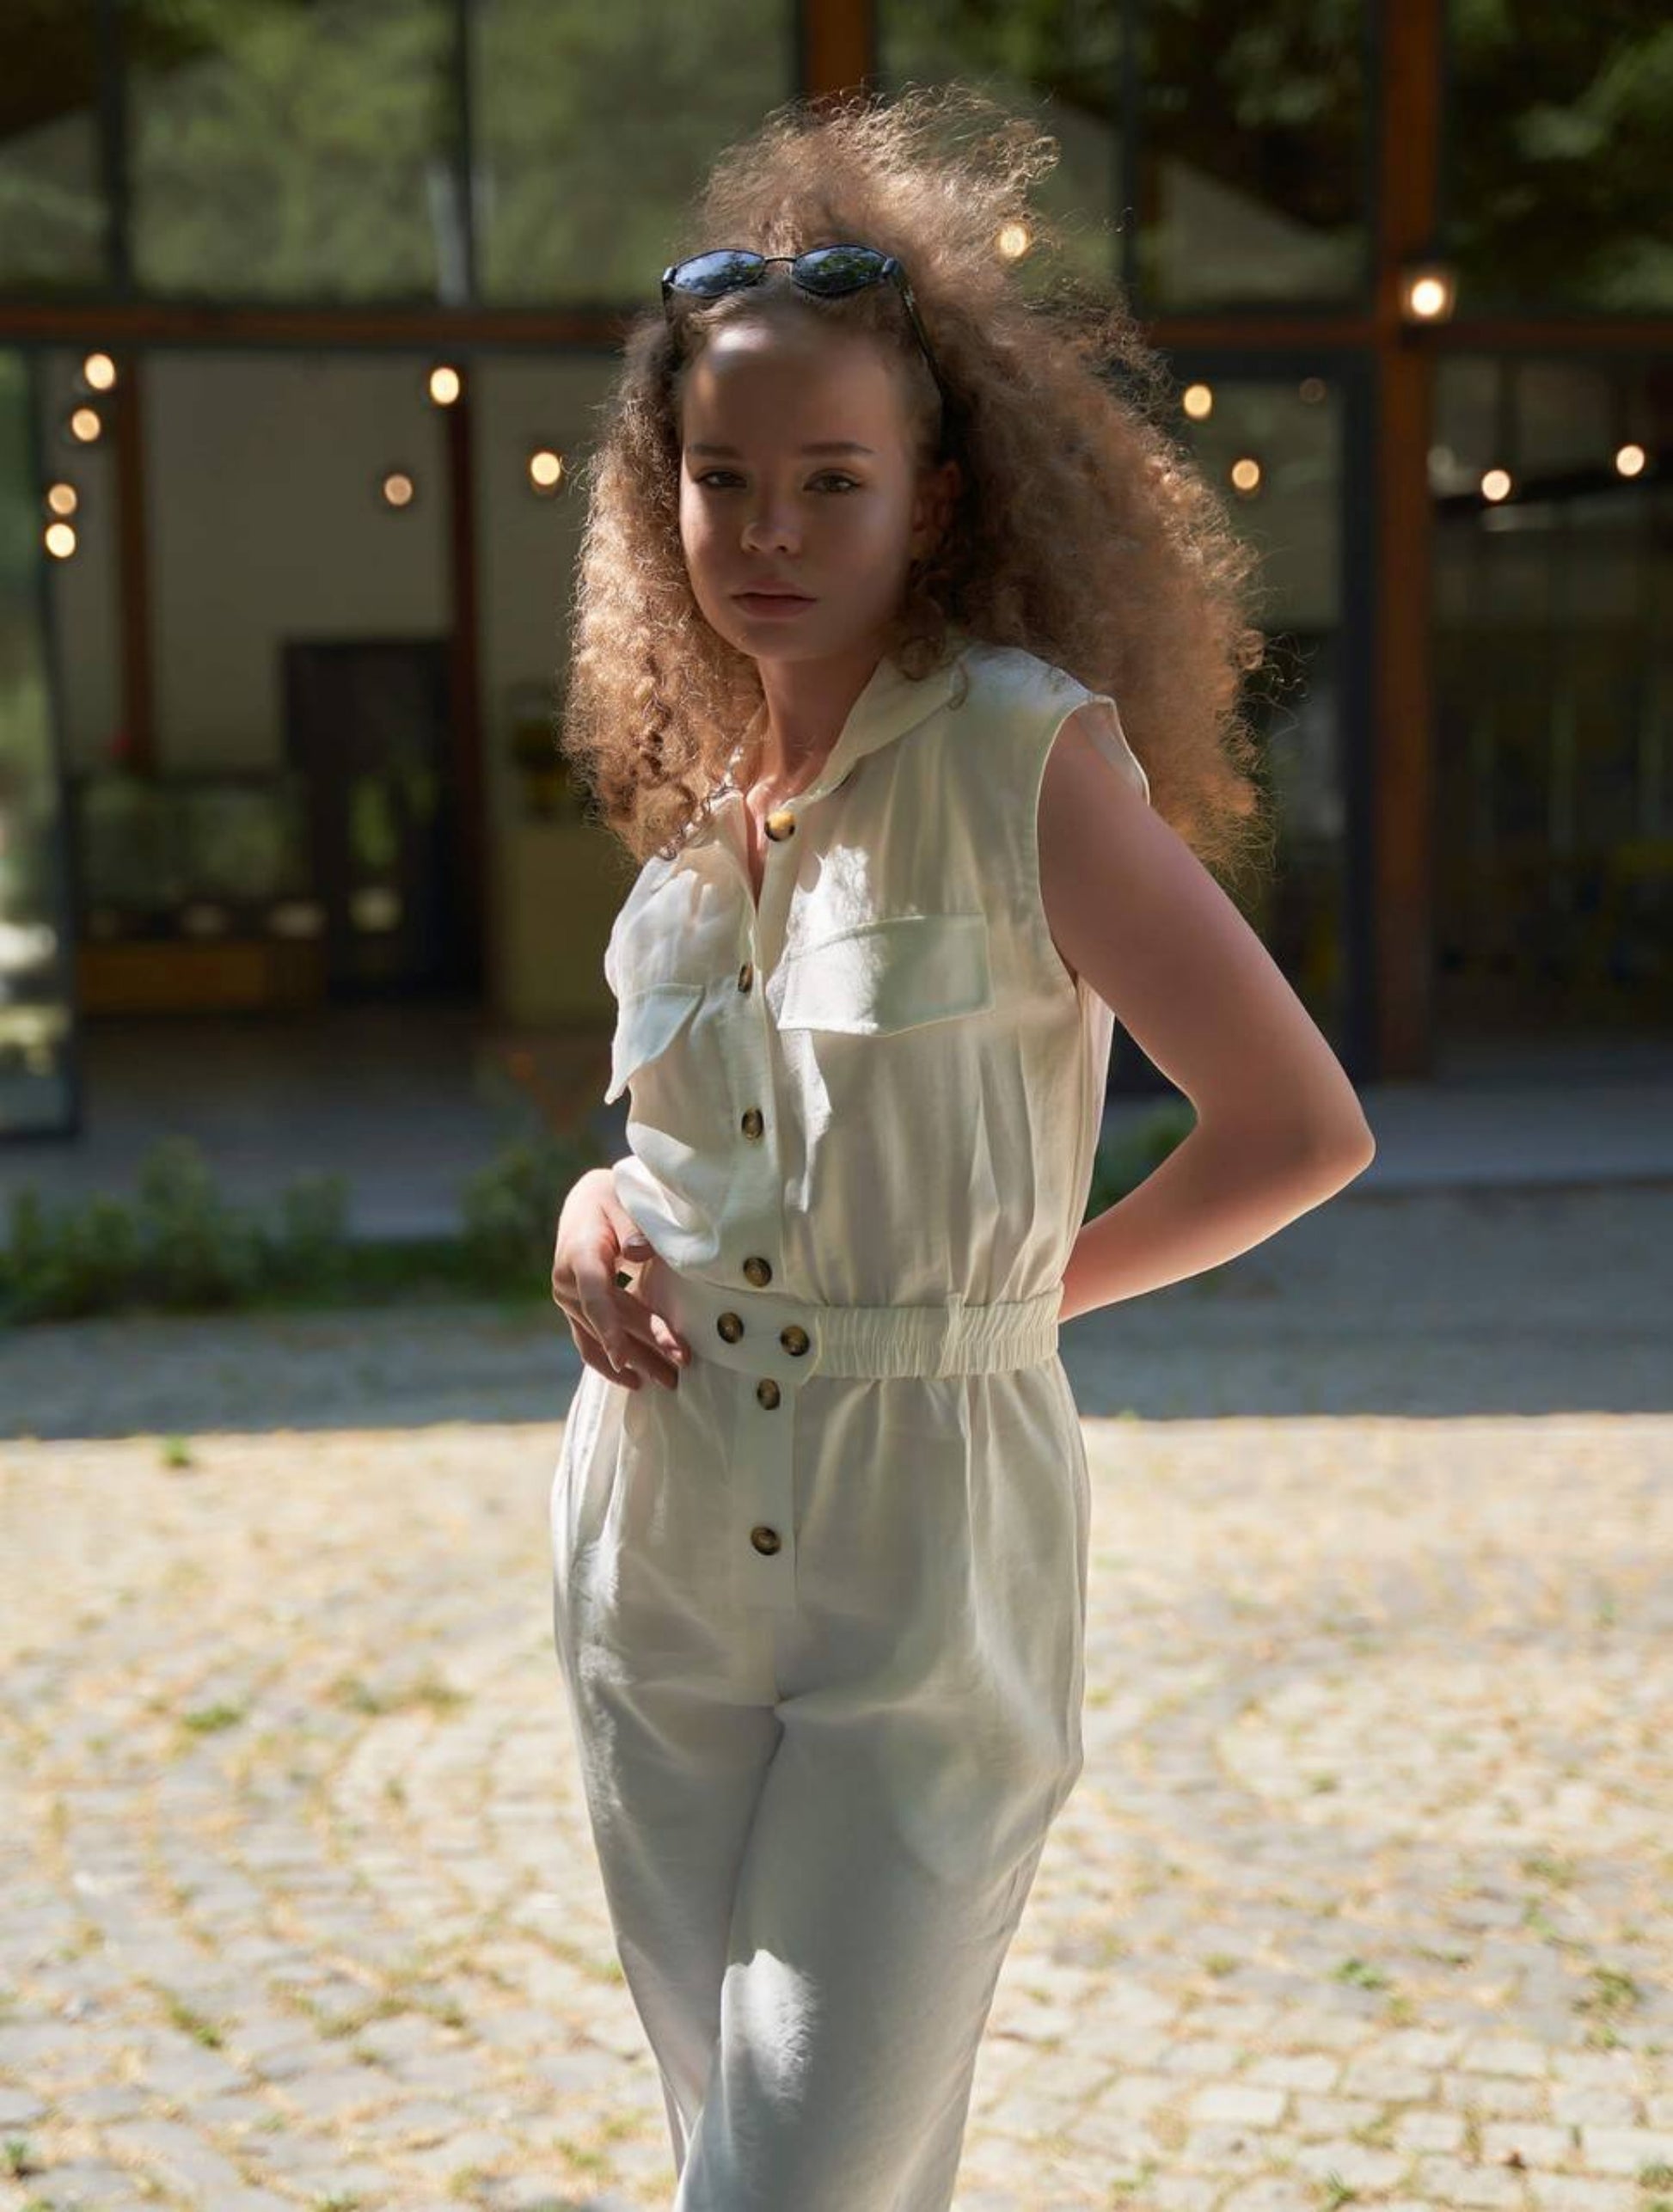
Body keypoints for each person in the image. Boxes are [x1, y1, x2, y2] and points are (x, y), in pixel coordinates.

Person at [546, 83, 1376, 2212]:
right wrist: (592, 1209)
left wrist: (1023, 1295)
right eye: (720, 481)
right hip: (653, 1551)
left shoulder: (1023, 755)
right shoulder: (709, 805)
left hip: (924, 1570)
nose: (769, 529)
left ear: (932, 496)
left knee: (794, 2183)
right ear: (664, 503)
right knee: (742, 2150)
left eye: (832, 479)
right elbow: (693, 1154)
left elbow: (1296, 1126)